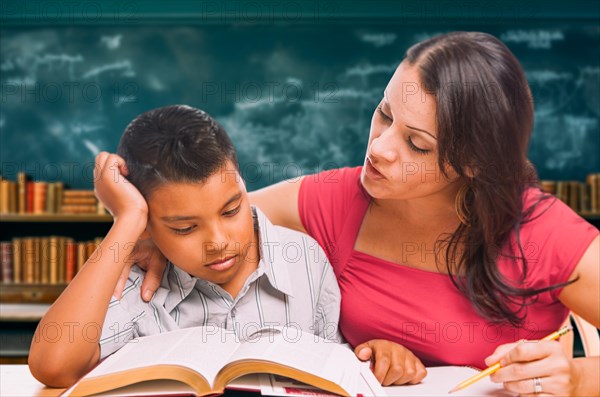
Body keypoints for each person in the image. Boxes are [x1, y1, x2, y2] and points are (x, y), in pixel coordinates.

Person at [127, 32, 600, 395]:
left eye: (416, 144)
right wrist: (147, 231)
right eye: (385, 113)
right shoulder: (338, 199)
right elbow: (210, 214)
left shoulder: (542, 232)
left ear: (473, 163)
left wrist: (577, 377)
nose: (380, 147)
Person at [28, 105, 348, 388]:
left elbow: (335, 370)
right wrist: (127, 218)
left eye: (231, 210)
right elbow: (53, 365)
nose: (219, 243)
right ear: (149, 227)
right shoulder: (141, 281)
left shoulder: (304, 260)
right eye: (185, 228)